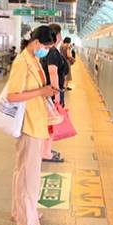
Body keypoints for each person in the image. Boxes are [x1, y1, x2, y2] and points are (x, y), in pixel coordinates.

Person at [7, 26, 57, 225]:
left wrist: (45, 92)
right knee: (29, 176)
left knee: (23, 171)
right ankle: (28, 224)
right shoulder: (22, 62)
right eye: (46, 46)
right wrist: (41, 91)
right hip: (28, 125)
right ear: (36, 42)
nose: (47, 50)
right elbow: (12, 96)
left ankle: (20, 212)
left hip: (35, 122)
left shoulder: (33, 59)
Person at [40, 24, 69, 163]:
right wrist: (56, 94)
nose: (61, 37)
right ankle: (46, 153)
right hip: (52, 92)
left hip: (50, 91)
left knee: (49, 122)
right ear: (56, 35)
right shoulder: (52, 52)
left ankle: (46, 150)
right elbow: (53, 73)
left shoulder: (48, 51)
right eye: (60, 34)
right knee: (51, 123)